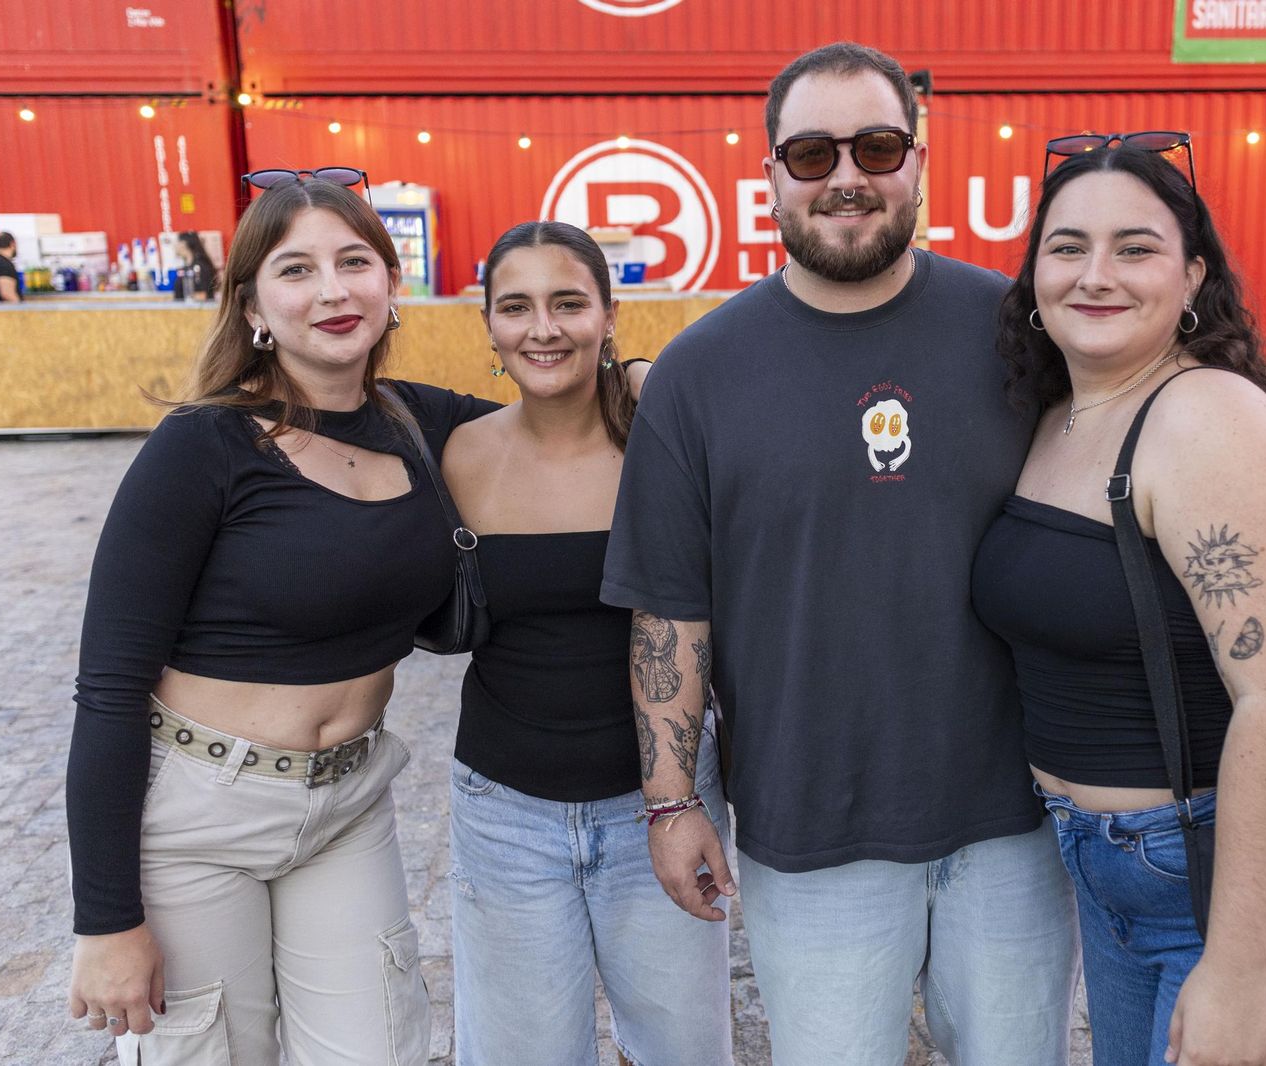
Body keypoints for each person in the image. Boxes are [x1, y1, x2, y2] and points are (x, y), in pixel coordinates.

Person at [601, 41, 1080, 1066]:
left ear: (918, 161)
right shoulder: (696, 373)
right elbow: (668, 613)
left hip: (1015, 817)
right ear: (769, 174)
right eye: (811, 154)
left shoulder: (1018, 333)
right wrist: (671, 801)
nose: (847, 177)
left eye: (875, 146)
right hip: (809, 824)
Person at [65, 173, 496, 1063]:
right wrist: (105, 922)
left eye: (355, 262)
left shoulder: (417, 420)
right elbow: (108, 688)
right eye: (296, 269)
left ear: (390, 282)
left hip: (347, 803)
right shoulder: (203, 445)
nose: (334, 291)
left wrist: (632, 369)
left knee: (379, 1048)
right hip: (198, 819)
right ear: (254, 304)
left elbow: (560, 423)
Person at [972, 138, 1266, 1065]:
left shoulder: (1206, 416)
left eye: (1136, 248)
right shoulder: (1058, 413)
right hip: (1112, 878)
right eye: (1068, 246)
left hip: (1222, 881)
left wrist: (1240, 971)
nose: (1096, 275)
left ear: (1192, 273)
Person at [441, 220, 731, 1065]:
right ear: (488, 325)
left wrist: (651, 379)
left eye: (569, 302)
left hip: (662, 801)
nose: (543, 328)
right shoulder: (459, 454)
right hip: (503, 811)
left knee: (684, 1050)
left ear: (609, 314)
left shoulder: (663, 441)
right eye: (517, 307)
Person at [173, 230, 218, 301]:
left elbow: (204, 295)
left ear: (184, 244)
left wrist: (188, 297)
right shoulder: (186, 267)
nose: (175, 246)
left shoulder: (199, 267)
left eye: (177, 242)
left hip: (199, 310)